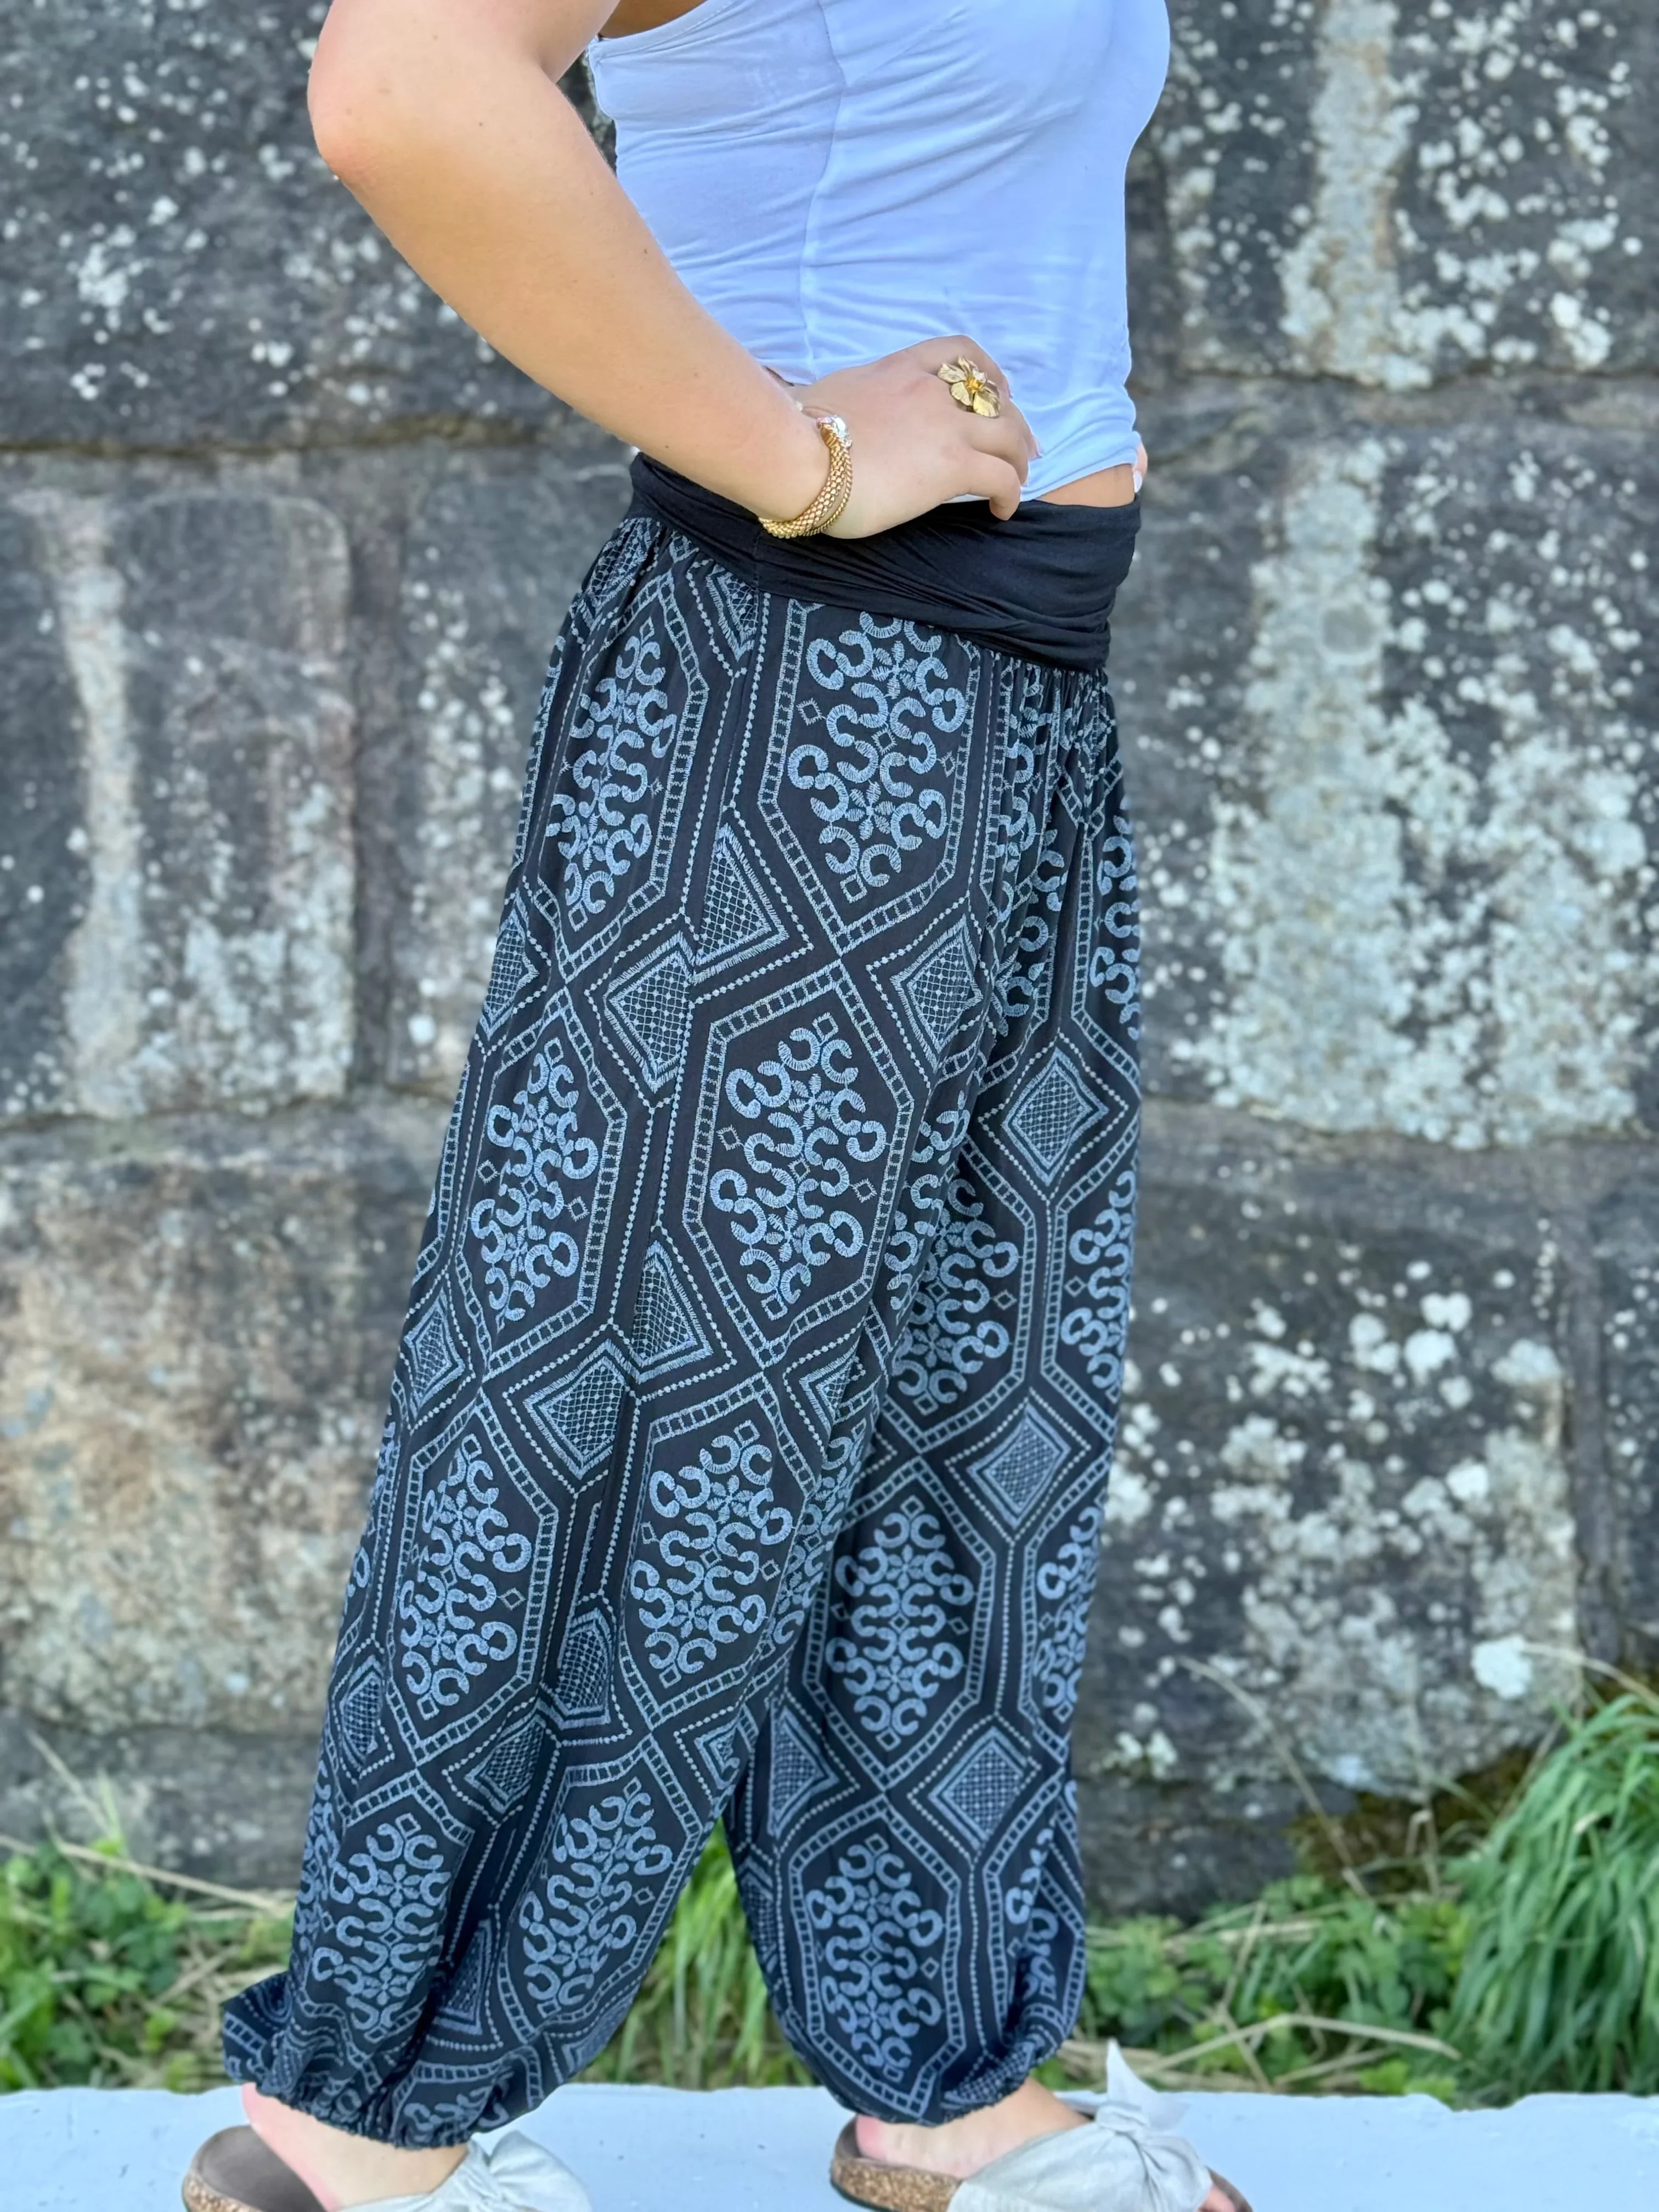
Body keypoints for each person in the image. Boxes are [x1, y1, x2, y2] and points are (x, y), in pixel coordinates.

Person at [183, 3, 1252, 2210]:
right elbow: (404, 84)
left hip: (1013, 695)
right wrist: (805, 457)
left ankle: (945, 2084)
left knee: (963, 1412)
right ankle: (354, 2128)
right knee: (629, 1417)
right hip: (801, 688)